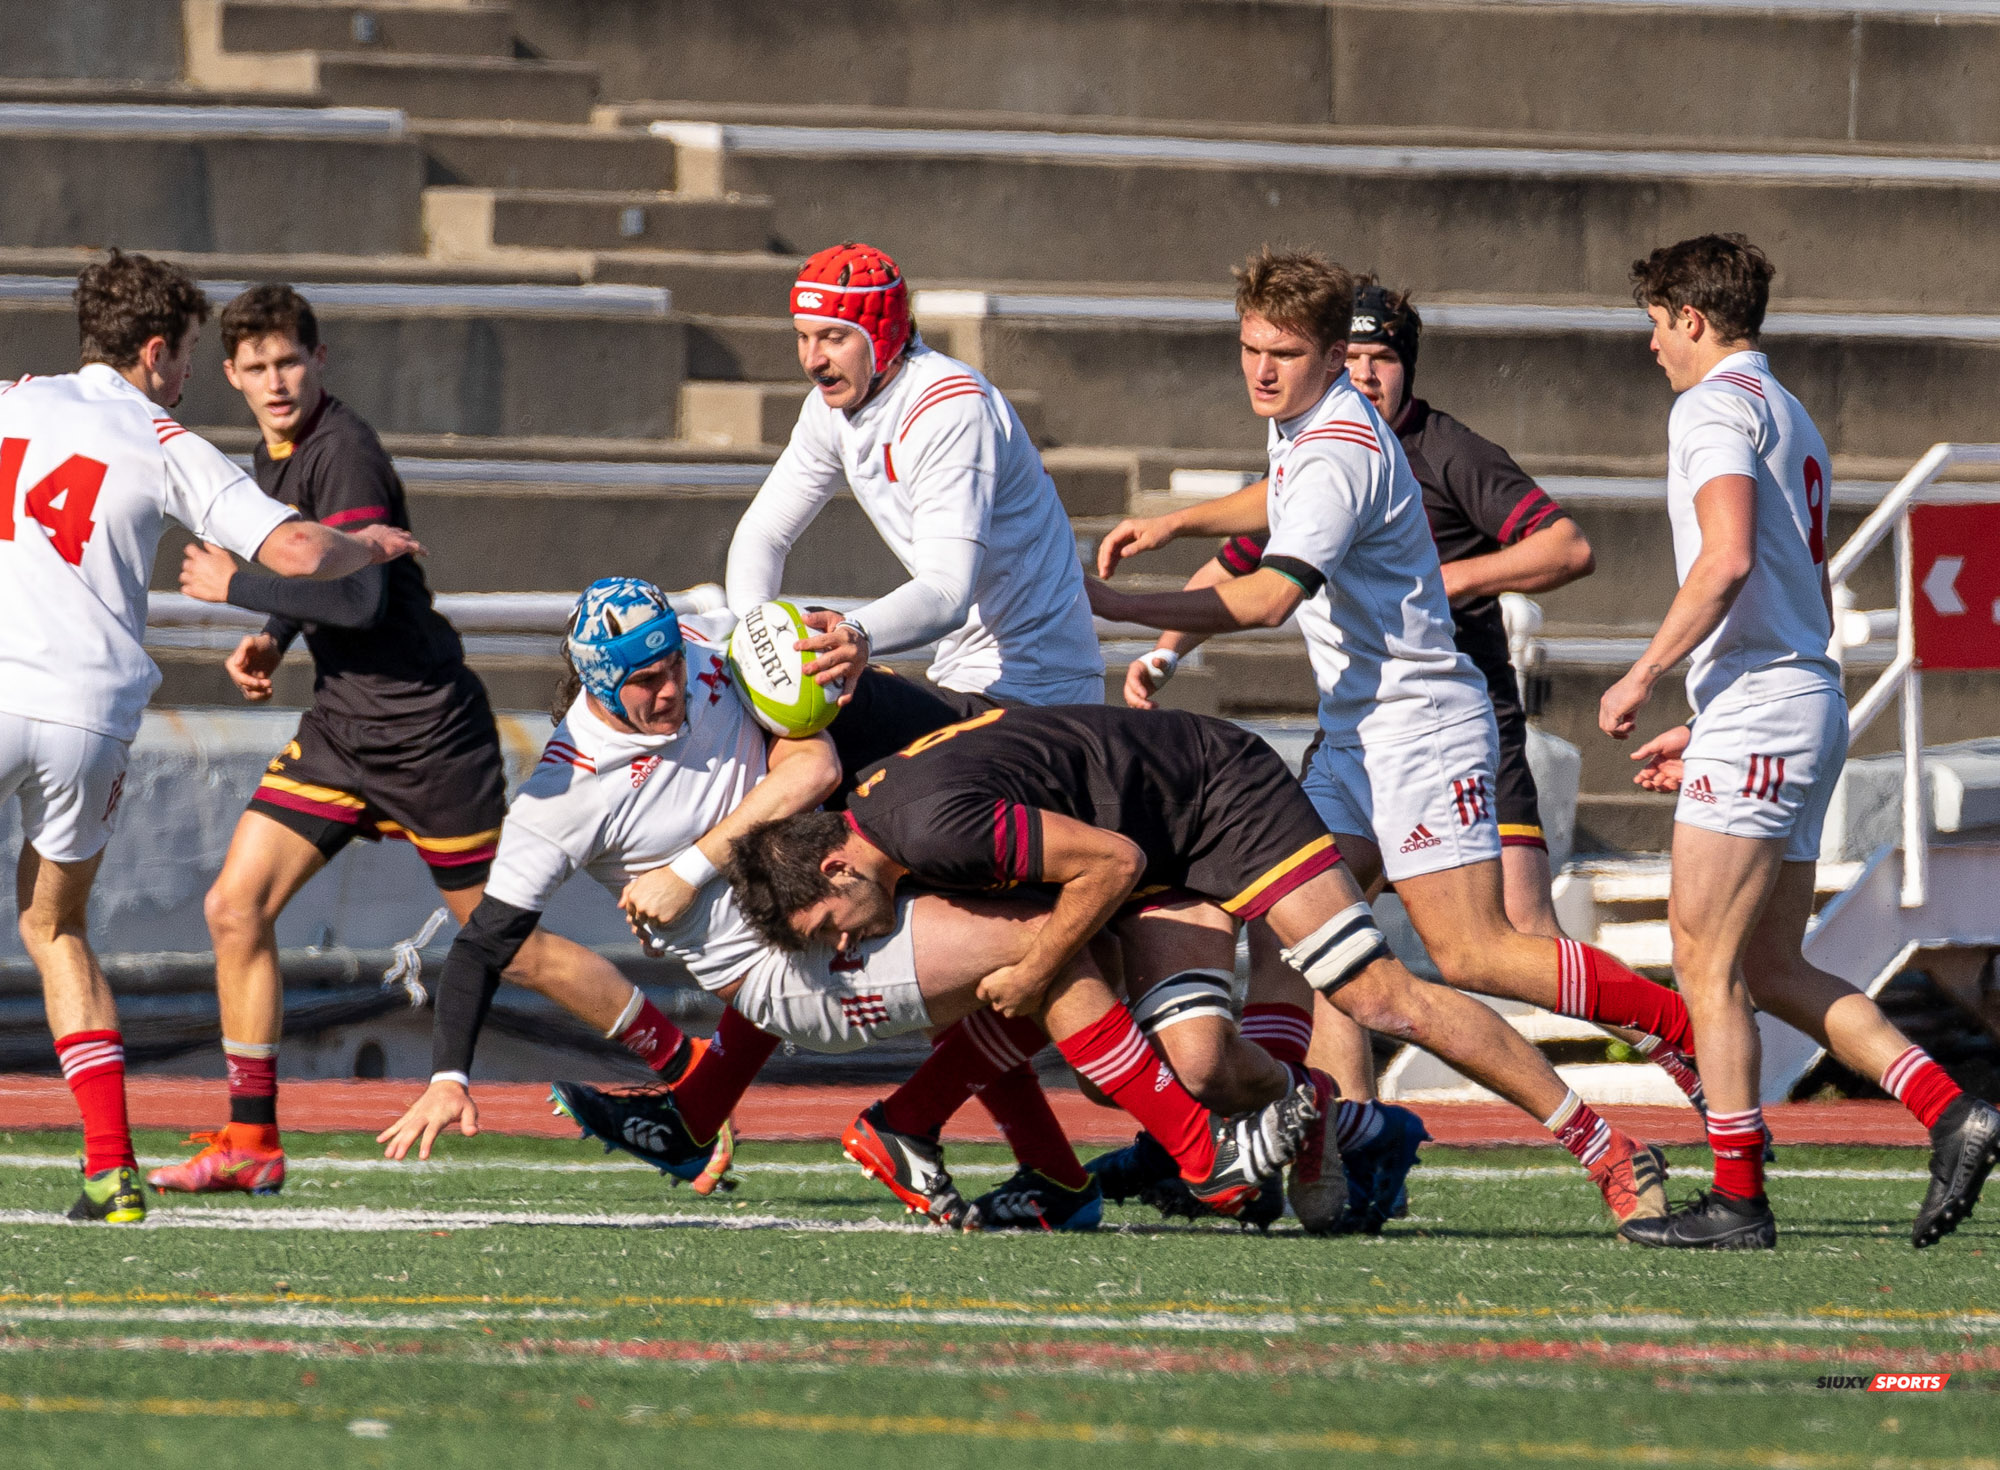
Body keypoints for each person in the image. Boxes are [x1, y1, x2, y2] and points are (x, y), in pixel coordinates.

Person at [377, 581, 1315, 1229]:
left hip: (829, 882)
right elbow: (484, 944)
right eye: (645, 682)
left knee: (1056, 938)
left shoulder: (697, 653)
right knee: (1044, 942)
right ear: (595, 683)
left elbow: (813, 757)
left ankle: (1050, 1178)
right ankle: (1203, 1160)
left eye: (671, 664)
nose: (672, 690)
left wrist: (847, 645)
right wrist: (449, 1075)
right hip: (782, 967)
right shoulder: (563, 796)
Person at [1085, 249, 1708, 1215]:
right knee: (1291, 939)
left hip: (1422, 732)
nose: (1261, 371)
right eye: (1250, 349)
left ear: (1332, 357)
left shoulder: (1341, 446)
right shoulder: (1312, 424)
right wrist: (1181, 524)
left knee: (1473, 957)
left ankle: (1675, 1046)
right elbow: (1279, 494)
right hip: (1355, 738)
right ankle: (1304, 1136)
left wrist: (1120, 605)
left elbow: (1266, 600)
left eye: (1284, 354)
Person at [726, 702, 1671, 1228]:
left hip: (1218, 796)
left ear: (837, 866)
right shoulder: (890, 825)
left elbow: (1111, 864)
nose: (846, 946)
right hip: (1149, 841)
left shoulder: (928, 831)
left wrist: (1038, 967)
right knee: (1201, 1067)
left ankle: (1611, 1152)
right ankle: (1316, 1112)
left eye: (831, 927)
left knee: (1379, 995)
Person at [150, 285, 645, 1199]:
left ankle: (692, 1074)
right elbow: (324, 577)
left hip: (426, 733)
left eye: (289, 361)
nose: (275, 381)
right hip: (344, 729)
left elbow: (359, 596)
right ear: (231, 375)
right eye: (256, 367)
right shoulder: (274, 454)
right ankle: (252, 1139)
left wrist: (238, 590)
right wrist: (277, 638)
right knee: (235, 907)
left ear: (319, 359)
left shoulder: (343, 451)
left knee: (509, 945)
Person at [0, 251, 418, 1223]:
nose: (188, 376)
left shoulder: (12, 399)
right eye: (188, 354)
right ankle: (110, 1169)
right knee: (55, 929)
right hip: (87, 715)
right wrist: (369, 543)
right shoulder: (159, 438)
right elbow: (298, 549)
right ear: (154, 352)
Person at [1603, 234, 1999, 1249]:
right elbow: (1793, 583)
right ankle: (1952, 1109)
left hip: (1765, 707)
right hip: (1793, 696)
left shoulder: (1710, 407)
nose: (1652, 346)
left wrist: (1645, 673)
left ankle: (1737, 1197)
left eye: (1656, 324)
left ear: (1692, 318)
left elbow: (1728, 558)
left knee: (1703, 960)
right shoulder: (1785, 406)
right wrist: (1712, 712)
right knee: (1773, 965)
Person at [724, 241, 1103, 782]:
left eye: (834, 337)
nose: (812, 361)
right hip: (963, 679)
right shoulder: (829, 409)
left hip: (1039, 695)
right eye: (803, 337)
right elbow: (763, 533)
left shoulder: (949, 407)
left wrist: (855, 632)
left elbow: (947, 594)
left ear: (882, 336)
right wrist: (753, 634)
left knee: (828, 737)